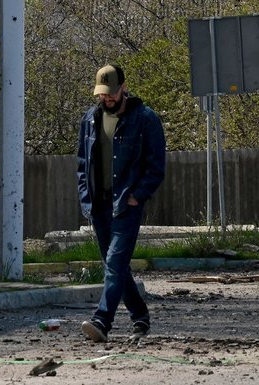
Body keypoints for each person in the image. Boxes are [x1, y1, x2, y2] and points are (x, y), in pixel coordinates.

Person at [76, 64, 166, 342]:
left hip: (126, 204)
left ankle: (102, 320)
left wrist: (137, 196)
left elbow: (156, 166)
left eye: (112, 93)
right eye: (102, 94)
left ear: (124, 88)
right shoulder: (90, 119)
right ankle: (140, 315)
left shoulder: (145, 119)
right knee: (116, 265)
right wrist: (84, 196)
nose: (107, 98)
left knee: (114, 263)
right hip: (98, 205)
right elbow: (82, 163)